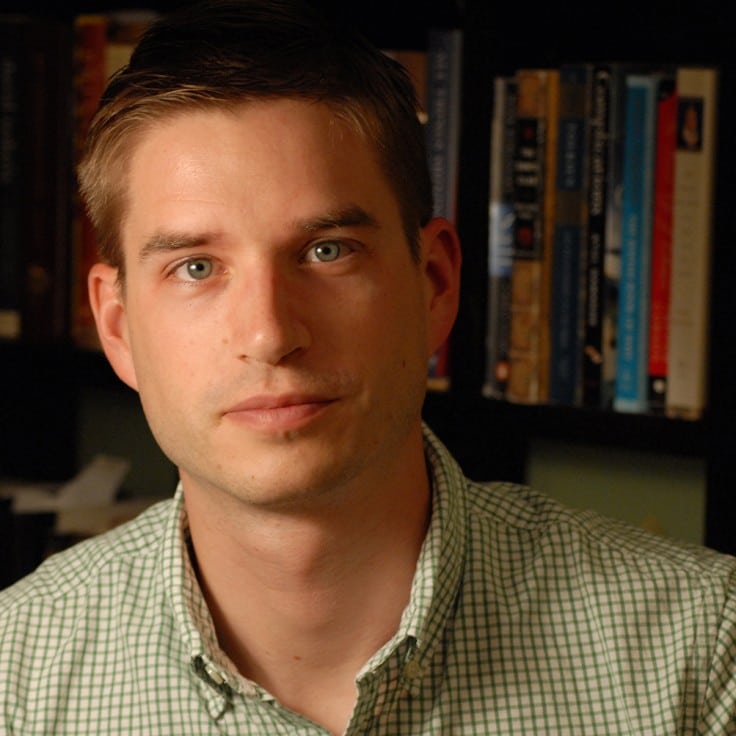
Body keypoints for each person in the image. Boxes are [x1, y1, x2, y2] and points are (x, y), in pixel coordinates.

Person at [1, 1, 735, 733]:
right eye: (197, 266)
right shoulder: (15, 679)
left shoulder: (702, 652)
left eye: (328, 251)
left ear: (436, 284)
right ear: (119, 327)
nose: (270, 333)